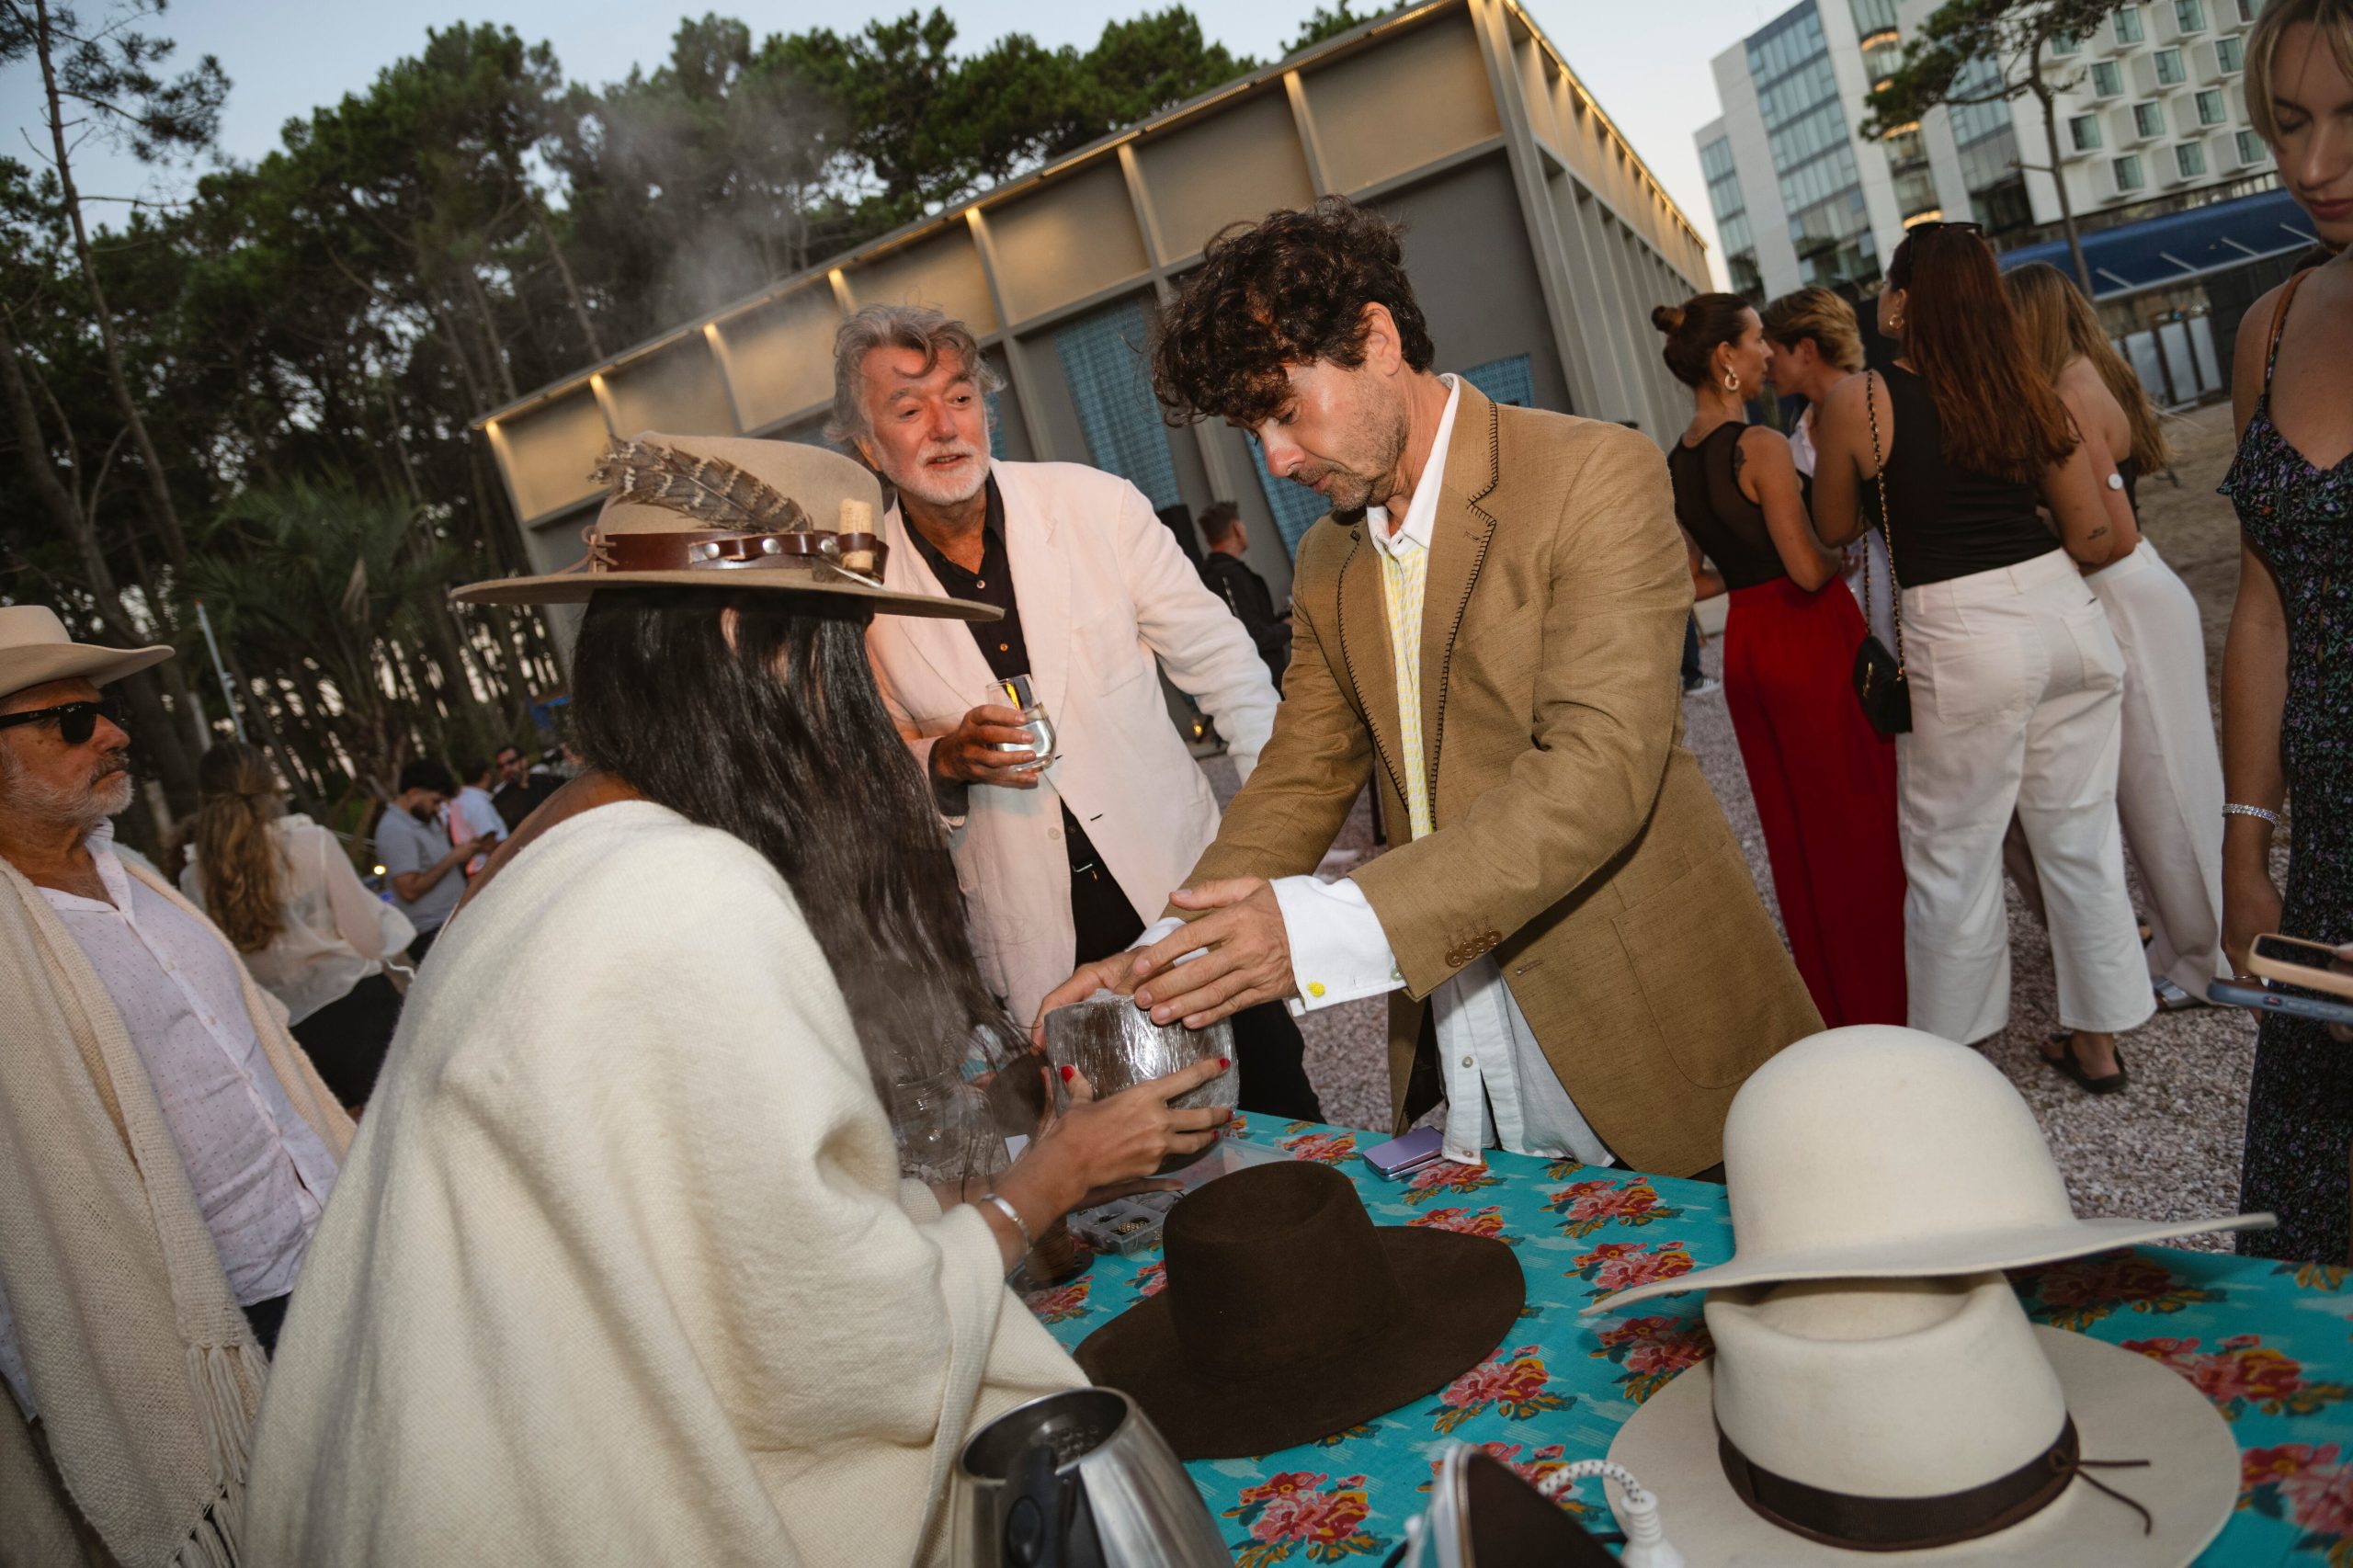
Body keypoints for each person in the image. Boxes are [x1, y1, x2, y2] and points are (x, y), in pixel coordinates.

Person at [244, 436, 1228, 1565]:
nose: (864, 701)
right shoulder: (689, 889)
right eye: (845, 657)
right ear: (742, 645)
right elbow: (827, 1343)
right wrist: (1049, 1177)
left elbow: (718, 1235)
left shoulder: (561, 836)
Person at [1041, 198, 1822, 1179]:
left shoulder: (1592, 474)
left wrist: (1321, 927)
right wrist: (1164, 953)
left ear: (1374, 339)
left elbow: (1597, 772)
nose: (1275, 460)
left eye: (1283, 411)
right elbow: (1298, 777)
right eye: (1253, 431)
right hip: (1465, 1041)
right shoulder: (1329, 559)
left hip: (1641, 1018)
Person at [842, 304, 1321, 1121]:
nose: (944, 427)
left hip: (1180, 897)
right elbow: (872, 775)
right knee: (1118, 1174)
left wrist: (1279, 849)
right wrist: (947, 762)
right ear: (865, 446)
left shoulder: (1096, 505)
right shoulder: (862, 593)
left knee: (1282, 1118)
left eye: (960, 398)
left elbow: (1227, 670)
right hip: (1037, 947)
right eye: (908, 409)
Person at [0, 606, 352, 1567]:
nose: (112, 732)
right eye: (69, 722)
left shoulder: (140, 873)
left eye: (101, 709)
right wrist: (66, 1405)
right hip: (217, 1334)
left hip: (330, 1243)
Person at [1809, 224, 2146, 1091]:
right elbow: (2093, 532)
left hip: (1960, 625)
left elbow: (1836, 528)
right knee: (2078, 837)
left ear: (1903, 297)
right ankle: (2099, 1043)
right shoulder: (2031, 388)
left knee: (1953, 852)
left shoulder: (1860, 402)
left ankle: (1958, 1068)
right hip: (2065, 618)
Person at [1655, 293, 1906, 1028]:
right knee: (1855, 824)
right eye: (1758, 340)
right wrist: (1847, 535)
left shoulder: (1678, 459)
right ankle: (1885, 1002)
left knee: (1796, 836)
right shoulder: (1759, 447)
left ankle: (1830, 1004)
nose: (1769, 352)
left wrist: (1745, 576)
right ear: (1725, 360)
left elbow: (1687, 578)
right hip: (1805, 636)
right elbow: (1806, 568)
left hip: (1749, 650)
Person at [2217, 0, 2353, 1262]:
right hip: (2331, 881)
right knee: (2315, 1280)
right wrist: (2246, 837)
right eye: (2292, 122)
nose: (2313, 168)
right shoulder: (2269, 328)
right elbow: (2266, 598)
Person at [2005, 261, 2226, 1014]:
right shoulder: (2094, 373)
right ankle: (2183, 945)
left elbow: (2109, 537)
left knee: (2163, 790)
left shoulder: (2065, 397)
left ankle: (2207, 959)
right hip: (2140, 593)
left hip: (2125, 597)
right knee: (2164, 785)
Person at [182, 740, 415, 1108]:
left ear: (203, 797)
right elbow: (368, 940)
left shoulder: (194, 878)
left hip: (291, 1036)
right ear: (271, 785)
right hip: (360, 1010)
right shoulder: (312, 843)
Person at [1761, 285, 1892, 651]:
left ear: (1806, 350)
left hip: (1915, 619)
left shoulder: (1884, 410)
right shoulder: (1789, 448)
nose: (1764, 363)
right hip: (1845, 637)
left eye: (1771, 350)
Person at [373, 757, 487, 964]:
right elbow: (409, 890)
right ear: (414, 793)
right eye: (435, 801)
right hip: (433, 933)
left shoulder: (423, 819)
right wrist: (452, 859)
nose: (438, 808)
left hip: (453, 921)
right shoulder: (395, 830)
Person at [1197, 500, 1292, 682]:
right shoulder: (1227, 576)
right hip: (1259, 685)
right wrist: (1288, 627)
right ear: (1237, 528)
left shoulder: (1213, 575)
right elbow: (1250, 636)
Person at [489, 741, 559, 831]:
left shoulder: (546, 781)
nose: (506, 769)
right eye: (501, 766)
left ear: (523, 760)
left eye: (511, 762)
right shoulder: (500, 801)